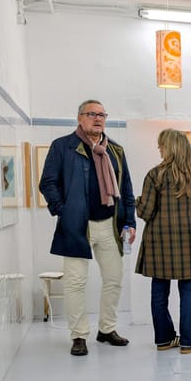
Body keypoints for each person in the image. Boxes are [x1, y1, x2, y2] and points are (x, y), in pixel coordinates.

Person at [39, 100, 136, 356]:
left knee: (114, 279)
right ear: (80, 118)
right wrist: (63, 210)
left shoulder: (115, 150)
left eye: (102, 114)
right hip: (77, 226)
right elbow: (47, 183)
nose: (98, 118)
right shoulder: (63, 146)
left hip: (110, 225)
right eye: (92, 114)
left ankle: (106, 329)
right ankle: (79, 335)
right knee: (75, 282)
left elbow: (126, 189)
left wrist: (130, 222)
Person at [134, 129, 191, 354]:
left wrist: (137, 201)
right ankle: (190, 341)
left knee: (159, 289)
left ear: (169, 148)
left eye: (161, 146)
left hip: (159, 241)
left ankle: (164, 339)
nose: (159, 150)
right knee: (188, 289)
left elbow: (145, 212)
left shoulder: (155, 175)